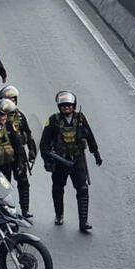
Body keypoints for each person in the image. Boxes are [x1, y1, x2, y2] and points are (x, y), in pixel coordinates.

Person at [40, 90, 102, 232]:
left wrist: (96, 153)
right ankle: (59, 215)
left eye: (69, 106)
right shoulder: (53, 121)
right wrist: (47, 161)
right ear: (59, 108)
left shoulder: (80, 119)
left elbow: (90, 136)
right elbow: (44, 143)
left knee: (83, 189)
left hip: (77, 159)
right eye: (64, 106)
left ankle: (83, 222)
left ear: (74, 106)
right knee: (57, 188)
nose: (67, 108)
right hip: (60, 161)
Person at [0, 85, 38, 218]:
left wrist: (32, 150)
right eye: (9, 99)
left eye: (14, 99)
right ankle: (3, 210)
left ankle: (25, 210)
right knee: (4, 184)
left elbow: (29, 133)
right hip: (2, 156)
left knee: (23, 181)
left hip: (18, 155)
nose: (12, 102)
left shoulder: (20, 116)